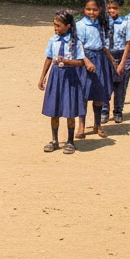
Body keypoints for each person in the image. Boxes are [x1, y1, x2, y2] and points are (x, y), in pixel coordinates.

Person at [38, 9, 86, 154]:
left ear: (68, 26)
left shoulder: (75, 42)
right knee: (55, 109)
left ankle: (70, 141)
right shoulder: (53, 40)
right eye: (54, 25)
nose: (55, 28)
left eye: (58, 25)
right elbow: (48, 58)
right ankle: (54, 140)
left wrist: (66, 61)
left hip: (70, 77)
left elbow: (81, 62)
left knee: (70, 110)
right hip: (56, 76)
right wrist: (42, 77)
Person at [75, 0, 113, 139]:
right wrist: (86, 61)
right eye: (88, 9)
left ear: (100, 10)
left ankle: (98, 124)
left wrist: (111, 61)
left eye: (94, 9)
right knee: (83, 94)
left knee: (99, 94)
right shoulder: (80, 25)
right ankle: (81, 126)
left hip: (100, 60)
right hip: (85, 61)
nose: (91, 12)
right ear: (84, 9)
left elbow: (103, 45)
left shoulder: (101, 24)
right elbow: (77, 47)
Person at [104, 0, 130, 124]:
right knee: (106, 85)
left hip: (121, 55)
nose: (112, 10)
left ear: (120, 8)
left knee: (120, 86)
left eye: (115, 8)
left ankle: (118, 111)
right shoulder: (103, 22)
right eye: (109, 8)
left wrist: (122, 62)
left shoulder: (125, 22)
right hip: (107, 55)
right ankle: (104, 111)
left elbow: (129, 42)